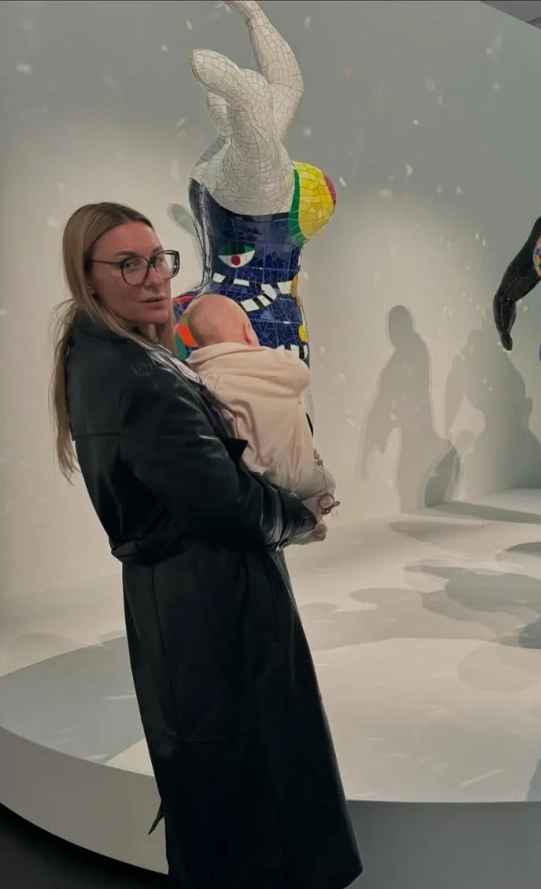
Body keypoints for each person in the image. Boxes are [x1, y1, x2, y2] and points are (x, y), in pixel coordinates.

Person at [50, 202, 362, 889]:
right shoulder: (138, 376)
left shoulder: (111, 357)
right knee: (245, 788)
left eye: (157, 259)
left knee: (221, 786)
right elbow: (228, 504)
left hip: (189, 597)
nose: (153, 276)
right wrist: (300, 516)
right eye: (127, 264)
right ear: (87, 276)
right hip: (214, 602)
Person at [182, 294, 337, 544]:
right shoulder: (274, 364)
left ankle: (287, 527)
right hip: (292, 472)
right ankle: (302, 527)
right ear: (247, 331)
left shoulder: (201, 377)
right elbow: (302, 375)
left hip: (251, 476)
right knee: (325, 484)